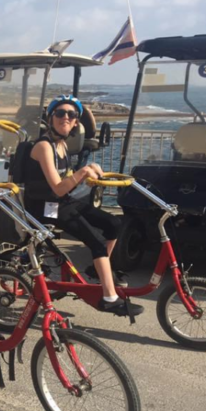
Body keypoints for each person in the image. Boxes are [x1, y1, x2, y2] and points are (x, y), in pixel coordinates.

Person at [23, 95, 143, 316]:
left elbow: (67, 183)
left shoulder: (62, 146)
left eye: (71, 115)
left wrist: (89, 172)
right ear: (50, 118)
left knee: (113, 224)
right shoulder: (44, 146)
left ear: (76, 122)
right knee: (96, 241)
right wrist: (82, 172)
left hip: (62, 203)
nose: (65, 118)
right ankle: (109, 298)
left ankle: (97, 271)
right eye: (60, 113)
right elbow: (58, 188)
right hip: (43, 207)